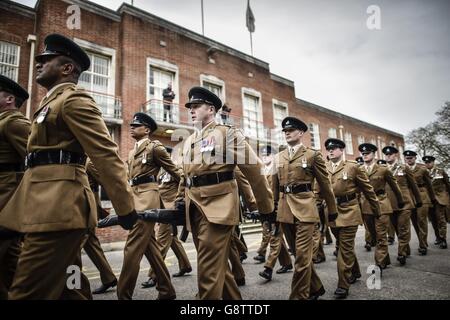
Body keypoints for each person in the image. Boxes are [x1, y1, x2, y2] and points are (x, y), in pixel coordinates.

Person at [0, 33, 137, 300]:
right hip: (44, 205)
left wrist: (125, 207)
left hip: (59, 208)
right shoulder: (49, 103)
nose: (39, 62)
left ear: (67, 68)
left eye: (46, 59)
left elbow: (105, 154)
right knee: (69, 288)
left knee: (24, 292)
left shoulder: (73, 100)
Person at [176, 86, 274, 299]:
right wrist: (179, 203)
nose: (191, 110)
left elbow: (255, 171)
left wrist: (266, 209)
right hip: (195, 210)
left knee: (207, 272)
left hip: (218, 208)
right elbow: (186, 177)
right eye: (190, 107)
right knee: (218, 270)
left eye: (196, 106)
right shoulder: (189, 141)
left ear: (211, 109)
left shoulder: (226, 134)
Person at [271, 116, 337, 300]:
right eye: (285, 131)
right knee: (300, 256)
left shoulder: (312, 155)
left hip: (306, 210)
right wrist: (272, 212)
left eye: (291, 130)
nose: (287, 133)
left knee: (301, 258)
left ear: (300, 133)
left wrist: (332, 210)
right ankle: (315, 288)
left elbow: (325, 185)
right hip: (284, 211)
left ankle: (298, 296)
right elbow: (274, 188)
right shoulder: (278, 157)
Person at [118, 112, 179, 300]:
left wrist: (181, 195)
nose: (132, 127)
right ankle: (166, 290)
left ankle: (123, 295)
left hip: (148, 198)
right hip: (134, 196)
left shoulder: (155, 148)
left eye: (137, 125)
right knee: (149, 247)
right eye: (132, 125)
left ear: (147, 129)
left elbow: (176, 172)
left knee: (132, 247)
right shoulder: (130, 152)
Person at [325, 138, 380, 299]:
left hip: (349, 211)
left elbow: (368, 190)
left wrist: (376, 210)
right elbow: (318, 190)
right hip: (332, 212)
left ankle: (343, 284)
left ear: (342, 150)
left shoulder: (353, 166)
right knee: (343, 245)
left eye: (334, 148)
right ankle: (355, 271)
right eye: (328, 149)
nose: (330, 151)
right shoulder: (324, 167)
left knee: (344, 249)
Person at [141, 146, 192, 289]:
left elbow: (184, 183)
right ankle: (185, 265)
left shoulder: (176, 168)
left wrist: (179, 203)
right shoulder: (160, 170)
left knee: (161, 240)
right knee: (172, 239)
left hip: (170, 210)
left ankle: (154, 275)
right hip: (161, 207)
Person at [0, 75, 30, 300]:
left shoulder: (13, 122)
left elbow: (36, 158)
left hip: (7, 194)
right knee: (11, 259)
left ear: (9, 99)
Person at [359, 143, 404, 271]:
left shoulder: (383, 169)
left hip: (382, 203)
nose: (365, 155)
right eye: (363, 153)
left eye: (367, 153)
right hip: (366, 205)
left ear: (374, 154)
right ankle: (385, 258)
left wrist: (400, 200)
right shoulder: (359, 170)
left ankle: (379, 263)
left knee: (381, 235)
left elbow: (395, 186)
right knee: (373, 236)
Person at [258, 145, 292, 282]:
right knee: (277, 238)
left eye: (268, 155)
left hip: (278, 208)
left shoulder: (278, 169)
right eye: (263, 155)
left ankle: (268, 268)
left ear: (273, 156)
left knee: (275, 237)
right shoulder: (262, 171)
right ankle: (287, 263)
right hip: (266, 210)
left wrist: (277, 208)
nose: (265, 157)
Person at [383, 146, 422, 265]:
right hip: (390, 203)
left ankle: (401, 253)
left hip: (405, 203)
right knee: (396, 229)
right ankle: (406, 248)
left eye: (390, 154)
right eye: (386, 155)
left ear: (396, 155)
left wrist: (418, 200)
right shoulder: (382, 169)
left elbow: (413, 185)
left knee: (403, 228)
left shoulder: (404, 168)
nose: (388, 156)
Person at [404, 150, 436, 255]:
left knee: (421, 221)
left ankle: (422, 245)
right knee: (415, 222)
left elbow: (429, 185)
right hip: (410, 198)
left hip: (422, 197)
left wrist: (432, 198)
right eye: (407, 158)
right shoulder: (402, 169)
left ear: (415, 158)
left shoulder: (422, 170)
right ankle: (422, 241)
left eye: (411, 158)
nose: (409, 160)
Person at [423, 155, 448, 249]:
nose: (428, 164)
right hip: (429, 200)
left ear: (433, 162)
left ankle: (443, 239)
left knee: (441, 219)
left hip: (439, 199)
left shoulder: (440, 171)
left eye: (429, 162)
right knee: (433, 220)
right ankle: (438, 237)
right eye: (426, 162)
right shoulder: (423, 172)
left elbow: (447, 184)